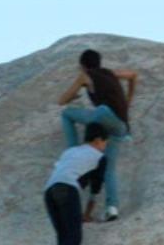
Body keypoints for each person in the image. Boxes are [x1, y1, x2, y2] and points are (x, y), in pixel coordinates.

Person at [58, 49, 138, 222]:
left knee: (67, 114)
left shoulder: (85, 76)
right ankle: (112, 208)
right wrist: (128, 101)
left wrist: (73, 97)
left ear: (83, 66)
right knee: (108, 168)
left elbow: (61, 100)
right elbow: (133, 75)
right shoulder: (111, 73)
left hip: (104, 115)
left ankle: (73, 150)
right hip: (121, 126)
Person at [38, 122, 109, 245]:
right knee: (74, 237)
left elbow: (62, 170)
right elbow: (96, 187)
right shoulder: (99, 157)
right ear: (98, 140)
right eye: (105, 142)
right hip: (68, 190)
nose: (105, 147)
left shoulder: (70, 151)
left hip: (49, 191)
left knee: (63, 238)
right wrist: (87, 213)